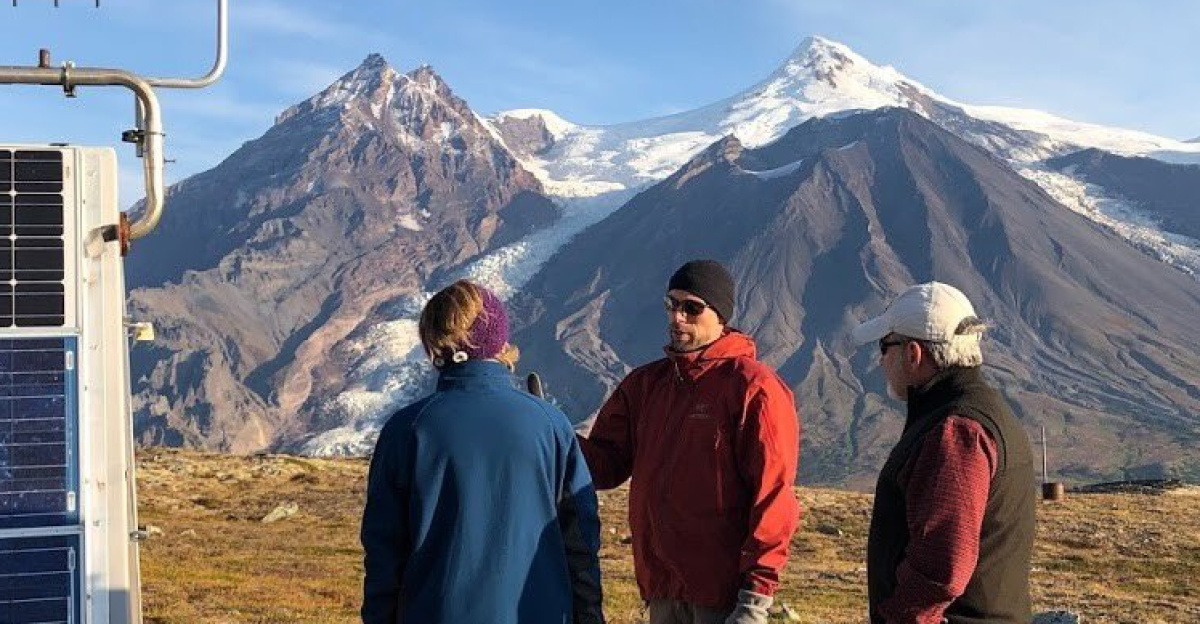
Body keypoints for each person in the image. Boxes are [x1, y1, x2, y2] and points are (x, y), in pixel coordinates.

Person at [361, 280, 604, 624]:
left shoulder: (407, 430)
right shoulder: (551, 425)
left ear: (432, 342)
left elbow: (384, 551)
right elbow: (579, 540)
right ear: (500, 339)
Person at [579, 259, 801, 624]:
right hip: (662, 589)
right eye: (671, 304)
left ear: (721, 315)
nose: (677, 317)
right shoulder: (646, 384)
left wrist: (755, 599)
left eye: (691, 308)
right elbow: (605, 466)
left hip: (723, 597)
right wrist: (551, 432)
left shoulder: (754, 388)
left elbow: (773, 496)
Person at [851, 282, 1035, 624]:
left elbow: (941, 567)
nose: (880, 361)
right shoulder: (986, 412)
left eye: (884, 346)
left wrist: (896, 618)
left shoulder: (954, 432)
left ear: (913, 354)